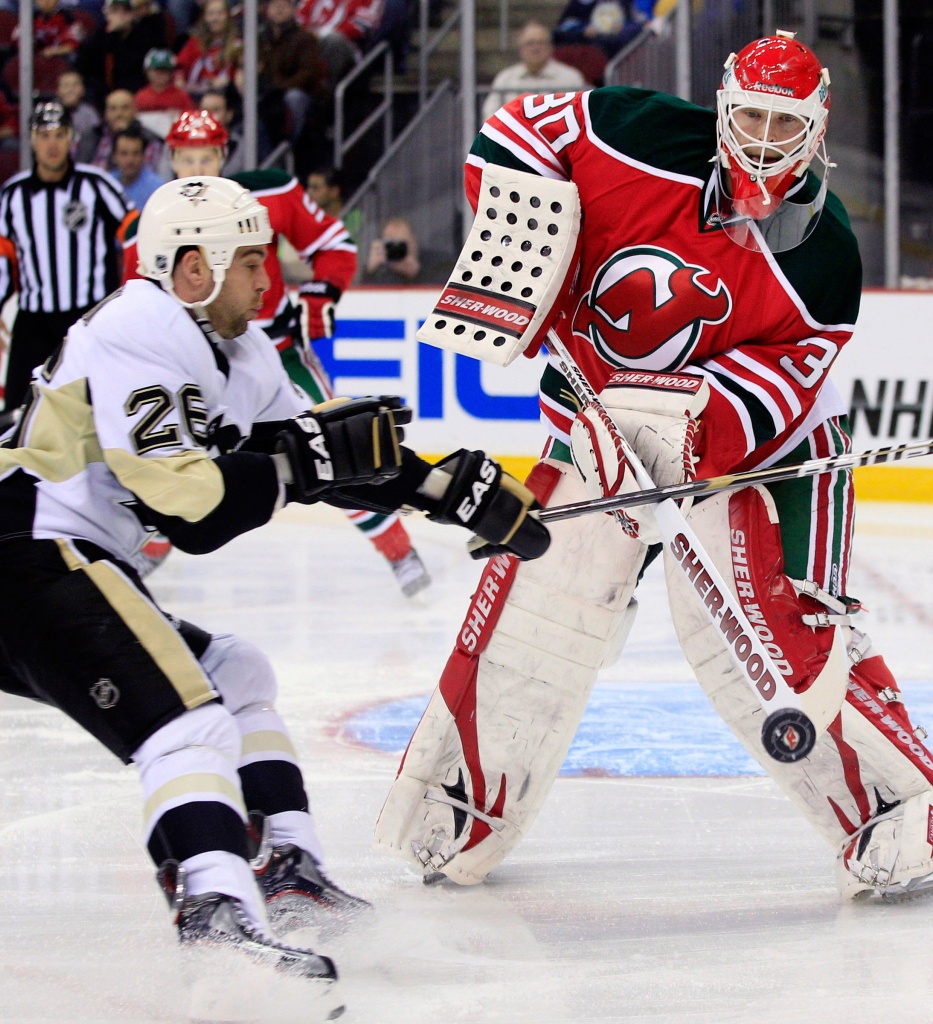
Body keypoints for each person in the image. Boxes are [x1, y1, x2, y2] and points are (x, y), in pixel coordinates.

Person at [376, 32, 933, 904]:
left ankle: (912, 812)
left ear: (817, 128)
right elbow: (516, 135)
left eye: (785, 124)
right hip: (594, 425)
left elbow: (777, 386)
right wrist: (530, 249)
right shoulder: (640, 131)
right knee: (538, 598)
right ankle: (460, 806)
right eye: (751, 118)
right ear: (722, 110)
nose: (765, 141)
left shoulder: (825, 251)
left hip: (763, 459)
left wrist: (680, 429)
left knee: (755, 631)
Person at [0, 176, 549, 1017]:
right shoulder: (136, 327)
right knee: (188, 719)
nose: (271, 280)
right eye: (251, 262)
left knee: (237, 673)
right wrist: (310, 466)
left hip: (61, 560)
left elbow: (326, 453)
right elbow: (189, 508)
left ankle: (286, 870)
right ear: (191, 271)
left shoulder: (242, 350)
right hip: (23, 555)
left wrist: (446, 489)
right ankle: (216, 916)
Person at [119, 110, 434, 596]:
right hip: (195, 368)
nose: (198, 169)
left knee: (340, 446)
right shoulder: (149, 226)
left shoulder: (267, 193)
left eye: (208, 157)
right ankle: (152, 550)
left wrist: (322, 294)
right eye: (187, 159)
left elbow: (334, 245)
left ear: (223, 156)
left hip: (279, 353)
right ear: (172, 160)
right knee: (175, 464)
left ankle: (397, 550)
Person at [0, 100, 132, 413]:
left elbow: (134, 236)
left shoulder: (96, 184)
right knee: (19, 411)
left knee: (101, 406)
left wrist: (130, 300)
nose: (52, 144)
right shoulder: (13, 194)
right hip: (34, 321)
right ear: (32, 140)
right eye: (44, 136)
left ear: (71, 138)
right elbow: (3, 259)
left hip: (89, 318)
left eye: (59, 134)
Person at [481, 20, 587, 121]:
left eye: (541, 43)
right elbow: (490, 115)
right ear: (520, 48)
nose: (535, 48)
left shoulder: (571, 77)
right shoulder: (505, 78)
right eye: (530, 43)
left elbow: (581, 115)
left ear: (550, 47)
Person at [259, 0, 329, 148]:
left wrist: (282, 88)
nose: (279, 9)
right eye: (275, 5)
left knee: (294, 97)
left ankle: (289, 146)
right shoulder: (261, 38)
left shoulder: (304, 38)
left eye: (284, 5)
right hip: (269, 93)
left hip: (299, 93)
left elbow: (308, 73)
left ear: (293, 9)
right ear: (267, 10)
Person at [76, 0, 170, 95]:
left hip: (139, 93)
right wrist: (111, 35)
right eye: (115, 11)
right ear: (107, 14)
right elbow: (84, 69)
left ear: (133, 14)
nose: (120, 15)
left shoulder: (145, 36)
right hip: (104, 95)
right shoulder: (98, 38)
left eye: (126, 10)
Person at [79, 88, 168, 175]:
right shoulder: (92, 135)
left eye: (125, 108)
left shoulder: (150, 140)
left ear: (135, 111)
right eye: (113, 109)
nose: (119, 114)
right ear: (105, 113)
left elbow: (147, 176)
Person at [295, 0, 385, 86]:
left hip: (351, 46)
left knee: (334, 40)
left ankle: (326, 92)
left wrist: (320, 34)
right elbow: (298, 19)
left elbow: (362, 26)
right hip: (311, 42)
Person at [176, 0, 240, 97]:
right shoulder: (194, 43)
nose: (215, 18)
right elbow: (179, 69)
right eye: (211, 14)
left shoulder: (237, 45)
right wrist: (179, 80)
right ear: (204, 17)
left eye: (220, 13)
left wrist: (228, 83)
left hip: (226, 98)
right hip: (195, 99)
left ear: (228, 16)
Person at [552, 0, 650, 58]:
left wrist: (625, 28)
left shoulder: (627, 2)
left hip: (622, 52)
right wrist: (583, 31)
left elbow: (640, 23)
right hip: (590, 49)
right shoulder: (581, 3)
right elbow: (564, 26)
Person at [360, 216, 432, 284]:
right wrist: (370, 272)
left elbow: (439, 292)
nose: (397, 250)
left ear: (414, 242)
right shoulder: (381, 272)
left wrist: (416, 274)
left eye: (402, 245)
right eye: (391, 245)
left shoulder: (432, 264)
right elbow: (364, 295)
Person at [110, 121, 164, 206]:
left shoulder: (157, 189)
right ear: (114, 156)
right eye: (124, 153)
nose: (130, 160)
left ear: (143, 155)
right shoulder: (107, 183)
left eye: (136, 153)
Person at [135, 48, 198, 117]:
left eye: (164, 70)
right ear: (147, 72)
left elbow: (190, 117)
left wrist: (179, 114)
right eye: (156, 70)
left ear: (171, 73)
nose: (160, 74)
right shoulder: (140, 97)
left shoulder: (182, 97)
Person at [56, 69, 102, 139]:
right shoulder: (51, 112)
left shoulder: (90, 113)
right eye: (66, 85)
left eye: (75, 85)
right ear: (58, 91)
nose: (70, 90)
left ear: (83, 90)